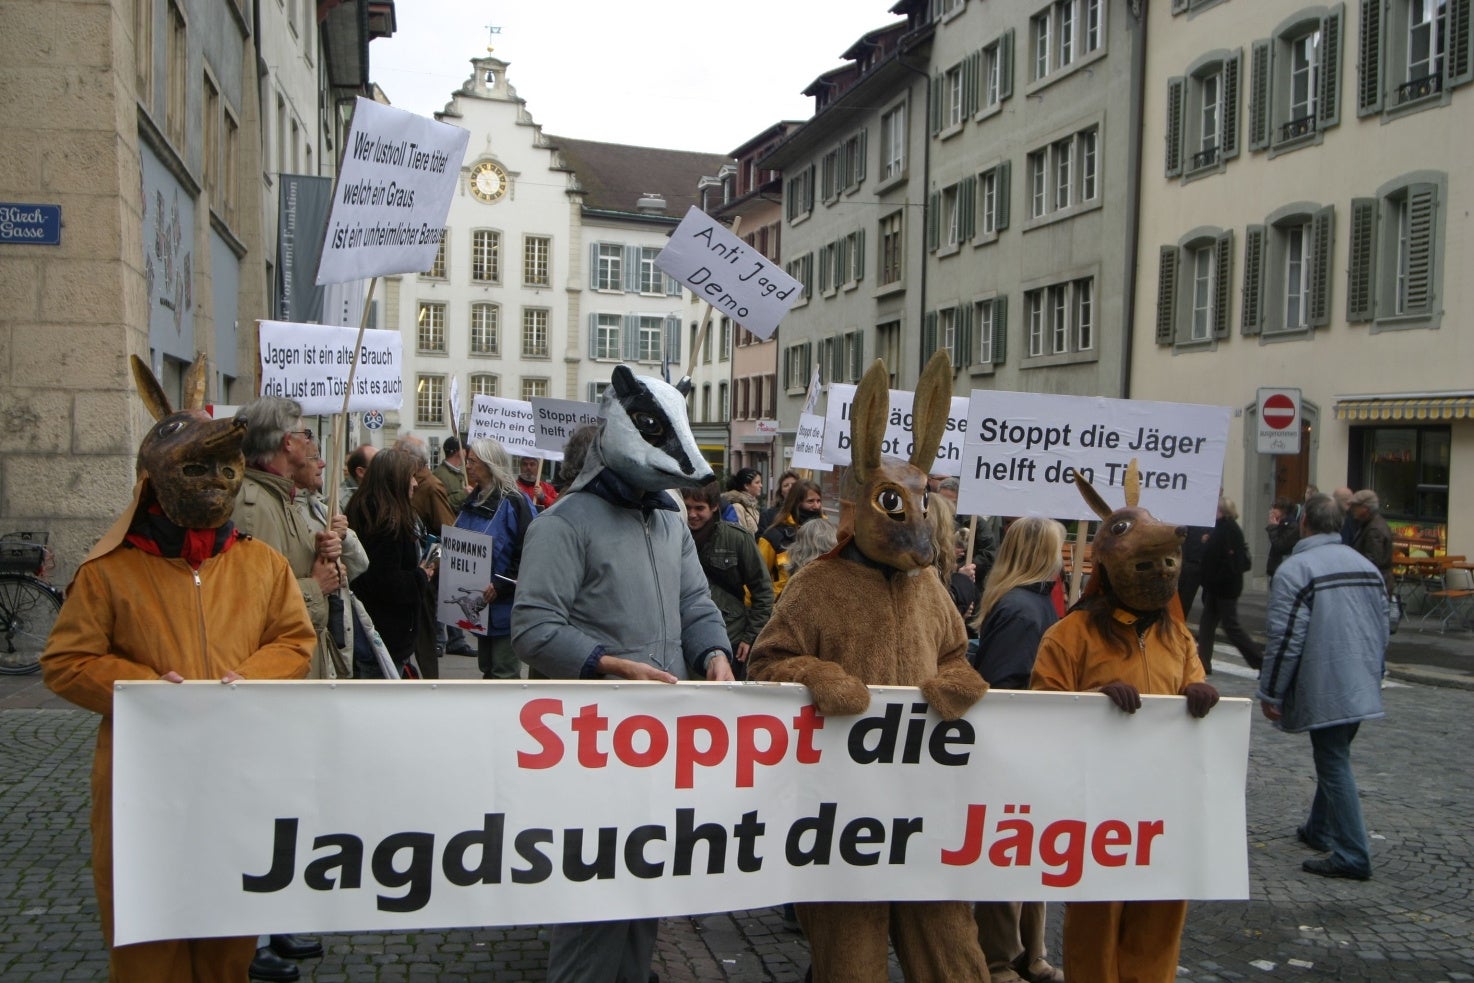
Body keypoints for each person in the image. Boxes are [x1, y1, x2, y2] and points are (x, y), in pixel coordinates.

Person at [42, 380, 314, 983]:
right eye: (199, 466)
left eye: (228, 467)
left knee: (228, 943)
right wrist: (140, 689)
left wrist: (246, 677)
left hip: (234, 779)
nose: (218, 481)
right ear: (155, 478)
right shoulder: (108, 572)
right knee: (150, 946)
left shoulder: (261, 564)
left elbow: (294, 641)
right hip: (144, 788)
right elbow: (66, 661)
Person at [512, 366, 734, 983]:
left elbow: (696, 604)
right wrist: (606, 664)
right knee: (592, 901)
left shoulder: (668, 521)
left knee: (643, 888)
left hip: (656, 746)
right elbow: (531, 628)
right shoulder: (563, 524)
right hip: (592, 745)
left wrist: (713, 651)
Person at [1031, 467, 1219, 983]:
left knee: (1160, 913)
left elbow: (1194, 683)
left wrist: (1198, 694)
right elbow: (1040, 710)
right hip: (1099, 809)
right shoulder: (1069, 636)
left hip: (1163, 803)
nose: (1160, 572)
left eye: (1167, 563)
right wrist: (1090, 703)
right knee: (1096, 914)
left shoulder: (1179, 639)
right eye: (1147, 563)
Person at [1258, 493, 1388, 881]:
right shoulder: (1365, 565)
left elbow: (1285, 637)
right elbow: (1383, 625)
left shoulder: (1296, 570)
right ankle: (1320, 828)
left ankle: (1352, 851)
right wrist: (1376, 671)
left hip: (1328, 677)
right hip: (1360, 674)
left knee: (1333, 761)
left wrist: (1271, 691)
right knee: (1335, 754)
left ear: (1304, 524)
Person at [968, 515, 1067, 983]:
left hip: (1035, 744)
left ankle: (1030, 952)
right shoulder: (1024, 610)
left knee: (1029, 850)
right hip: (1018, 744)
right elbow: (1004, 684)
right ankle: (1002, 957)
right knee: (1010, 850)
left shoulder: (1031, 604)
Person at [232, 398, 345, 683]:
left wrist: (318, 548)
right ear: (287, 442)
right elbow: (253, 602)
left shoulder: (280, 497)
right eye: (305, 434)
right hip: (277, 675)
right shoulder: (253, 506)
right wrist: (316, 586)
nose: (310, 443)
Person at [346, 449, 435, 676]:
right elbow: (386, 582)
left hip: (372, 630)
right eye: (410, 477)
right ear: (395, 480)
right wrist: (421, 576)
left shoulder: (364, 507)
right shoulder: (387, 521)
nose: (415, 484)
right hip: (383, 635)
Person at [454, 437, 535, 680]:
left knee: (504, 671)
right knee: (487, 667)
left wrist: (501, 583)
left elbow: (528, 551)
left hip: (504, 604)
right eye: (467, 461)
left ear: (490, 464)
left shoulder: (515, 502)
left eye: (473, 462)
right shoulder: (474, 499)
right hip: (479, 602)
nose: (467, 466)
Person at [683, 480, 773, 679]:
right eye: (687, 507)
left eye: (699, 508)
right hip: (684, 634)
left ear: (714, 506)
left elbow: (763, 590)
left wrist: (751, 637)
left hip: (731, 635)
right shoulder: (672, 537)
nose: (692, 514)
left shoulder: (737, 538)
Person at [394, 434, 457, 674]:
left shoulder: (430, 486)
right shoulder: (404, 483)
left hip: (424, 573)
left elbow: (447, 532)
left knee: (425, 634)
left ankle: (431, 682)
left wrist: (429, 566)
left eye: (397, 453)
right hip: (410, 571)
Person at [1197, 495, 1264, 674]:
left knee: (1231, 627)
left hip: (1224, 588)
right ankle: (1202, 664)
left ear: (1221, 511)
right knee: (1207, 624)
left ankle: (1260, 661)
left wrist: (1214, 579)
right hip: (1216, 587)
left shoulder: (1229, 529)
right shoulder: (1222, 528)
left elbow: (1229, 561)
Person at [757, 479, 824, 598]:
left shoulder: (826, 533)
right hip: (783, 603)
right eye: (810, 501)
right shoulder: (774, 536)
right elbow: (757, 577)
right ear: (796, 503)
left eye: (818, 501)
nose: (816, 506)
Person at [1348, 489, 1395, 598]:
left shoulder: (1374, 529)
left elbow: (1372, 561)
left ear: (1365, 508)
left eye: (1355, 506)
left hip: (1374, 585)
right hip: (1376, 582)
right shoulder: (1371, 524)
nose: (1352, 509)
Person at [1266, 497, 1302, 578]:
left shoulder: (1292, 526)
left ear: (1283, 510)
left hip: (1283, 566)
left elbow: (1279, 545)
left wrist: (1273, 527)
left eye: (1275, 508)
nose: (1272, 511)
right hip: (1275, 566)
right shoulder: (1281, 523)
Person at [434, 434, 471, 512]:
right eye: (464, 449)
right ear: (459, 452)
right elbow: (441, 504)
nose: (466, 453)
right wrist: (464, 494)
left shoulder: (458, 472)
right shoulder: (440, 475)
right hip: (449, 521)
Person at [722, 467, 764, 534]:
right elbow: (738, 535)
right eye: (757, 482)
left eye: (760, 482)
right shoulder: (737, 507)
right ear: (746, 486)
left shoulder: (752, 507)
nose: (761, 485)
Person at [341, 443, 376, 511]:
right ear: (360, 472)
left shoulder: (374, 493)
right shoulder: (342, 502)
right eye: (377, 465)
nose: (382, 470)